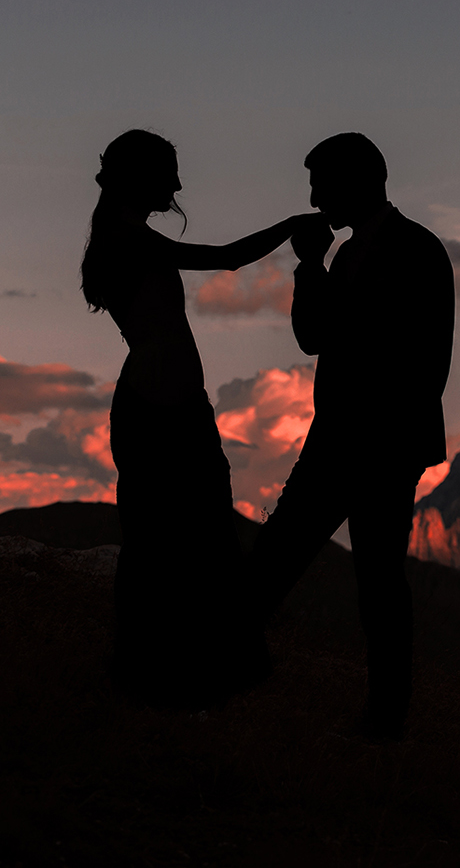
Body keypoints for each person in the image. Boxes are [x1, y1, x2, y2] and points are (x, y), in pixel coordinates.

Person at [81, 129, 327, 705]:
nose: (179, 185)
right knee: (179, 538)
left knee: (175, 536)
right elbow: (225, 258)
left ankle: (165, 666)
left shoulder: (122, 237)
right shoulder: (131, 241)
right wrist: (290, 227)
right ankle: (178, 668)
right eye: (169, 173)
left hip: (166, 406)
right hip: (160, 411)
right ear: (142, 178)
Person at [252, 132, 455, 740]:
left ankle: (386, 716)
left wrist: (314, 269)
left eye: (321, 184)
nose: (314, 198)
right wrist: (311, 266)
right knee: (282, 557)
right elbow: (314, 336)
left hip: (378, 446)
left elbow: (404, 356)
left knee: (372, 581)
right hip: (341, 439)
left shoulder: (416, 250)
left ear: (357, 182)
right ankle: (227, 669)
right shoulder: (346, 255)